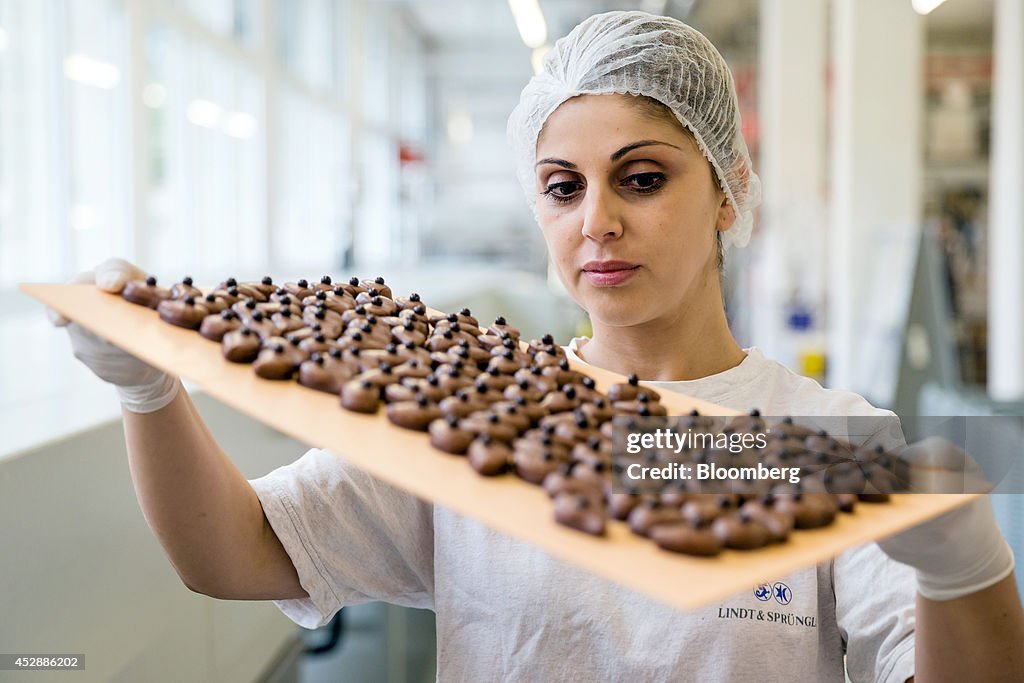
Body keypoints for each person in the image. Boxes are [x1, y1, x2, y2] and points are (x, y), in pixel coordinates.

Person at [57, 11, 1022, 682]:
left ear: (728, 192)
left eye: (641, 179)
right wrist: (149, 393)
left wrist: (963, 570)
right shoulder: (478, 418)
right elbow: (236, 553)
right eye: (563, 188)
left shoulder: (829, 438)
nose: (596, 222)